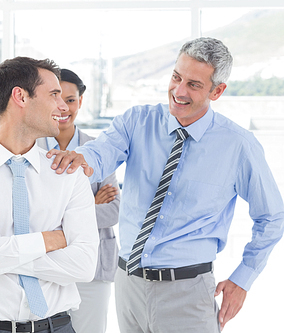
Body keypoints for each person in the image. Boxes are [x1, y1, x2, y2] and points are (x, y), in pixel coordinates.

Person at [49, 37, 284, 332]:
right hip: (128, 284)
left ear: (217, 90)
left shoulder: (238, 145)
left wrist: (243, 279)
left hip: (188, 293)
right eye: (176, 77)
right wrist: (79, 159)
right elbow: (100, 152)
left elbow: (272, 216)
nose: (179, 91)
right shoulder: (136, 121)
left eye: (194, 85)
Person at [0, 57, 99, 333]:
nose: (63, 106)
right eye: (54, 95)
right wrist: (47, 241)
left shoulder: (69, 172)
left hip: (56, 327)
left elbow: (83, 266)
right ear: (20, 96)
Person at [36, 69, 120, 333]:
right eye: (56, 98)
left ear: (80, 101)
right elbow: (32, 216)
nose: (63, 107)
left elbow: (114, 210)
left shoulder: (99, 149)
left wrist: (58, 215)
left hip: (94, 268)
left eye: (70, 100)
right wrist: (87, 205)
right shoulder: (33, 149)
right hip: (47, 266)